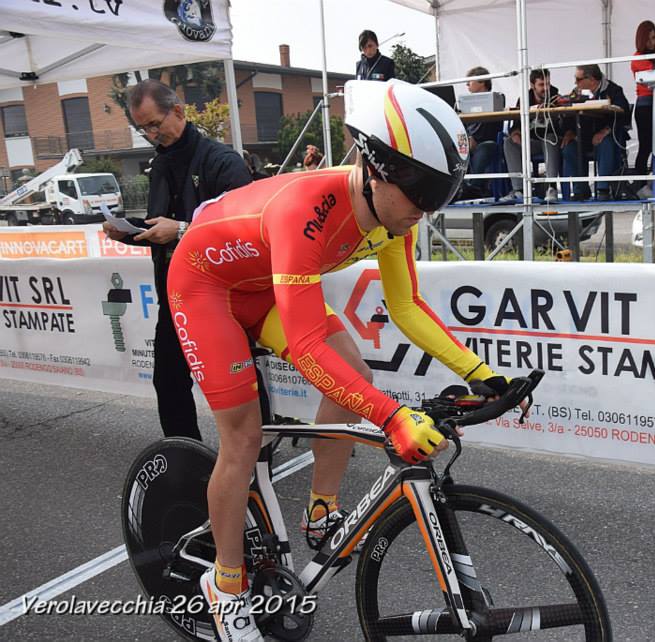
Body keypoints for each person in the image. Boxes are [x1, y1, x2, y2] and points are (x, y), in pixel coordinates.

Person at [167, 79, 510, 641]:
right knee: (243, 438)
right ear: (375, 170)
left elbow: (406, 306)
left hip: (263, 285)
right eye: (422, 195)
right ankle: (225, 590)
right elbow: (306, 347)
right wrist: (392, 418)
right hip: (206, 288)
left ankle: (320, 509)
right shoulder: (306, 210)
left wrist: (481, 373)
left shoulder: (394, 212)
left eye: (439, 196)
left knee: (356, 372)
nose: (426, 212)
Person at [103, 79, 251, 442]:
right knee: (168, 381)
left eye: (155, 124)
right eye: (143, 129)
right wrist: (128, 231)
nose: (151, 135)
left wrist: (182, 230)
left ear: (179, 112)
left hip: (222, 299)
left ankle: (253, 457)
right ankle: (186, 457)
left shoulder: (222, 161)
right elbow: (161, 225)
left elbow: (245, 230)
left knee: (239, 385)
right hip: (174, 298)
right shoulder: (159, 165)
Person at [560, 65, 631, 201]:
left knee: (605, 143)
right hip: (583, 137)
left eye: (578, 79)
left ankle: (603, 189)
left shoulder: (613, 90)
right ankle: (580, 189)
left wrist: (605, 131)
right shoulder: (576, 93)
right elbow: (568, 115)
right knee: (569, 148)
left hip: (605, 135)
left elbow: (624, 113)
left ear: (591, 79)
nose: (575, 82)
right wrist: (569, 132)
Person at [501, 69, 564, 204]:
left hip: (551, 142)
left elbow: (562, 125)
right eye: (541, 85)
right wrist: (515, 133)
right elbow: (516, 124)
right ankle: (519, 190)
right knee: (509, 142)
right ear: (532, 85)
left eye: (547, 84)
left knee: (550, 138)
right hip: (531, 143)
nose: (546, 88)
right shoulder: (524, 99)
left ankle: (551, 187)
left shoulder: (557, 98)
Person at [631, 21, 655, 198]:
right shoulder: (637, 58)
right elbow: (653, 77)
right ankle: (640, 185)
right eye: (648, 39)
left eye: (654, 38)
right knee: (645, 146)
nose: (652, 42)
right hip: (645, 105)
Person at [462, 66, 502, 199]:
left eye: (470, 81)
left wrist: (474, 139)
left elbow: (492, 127)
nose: (467, 85)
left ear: (482, 82)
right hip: (470, 140)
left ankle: (473, 188)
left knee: (485, 147)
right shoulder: (465, 103)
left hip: (488, 141)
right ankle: (457, 186)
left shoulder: (496, 100)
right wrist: (468, 138)